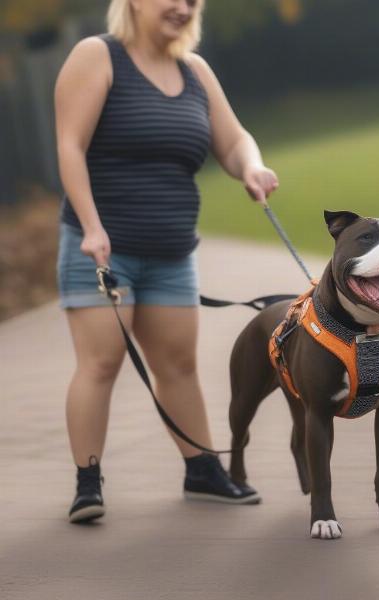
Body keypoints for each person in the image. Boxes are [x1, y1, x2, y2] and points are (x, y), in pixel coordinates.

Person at [54, 0, 279, 523]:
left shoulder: (195, 70)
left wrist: (252, 167)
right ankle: (88, 484)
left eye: (193, 1)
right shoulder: (97, 56)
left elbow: (234, 139)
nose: (183, 7)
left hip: (172, 253)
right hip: (102, 249)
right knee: (101, 363)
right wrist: (91, 226)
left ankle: (202, 471)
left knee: (178, 366)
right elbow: (69, 145)